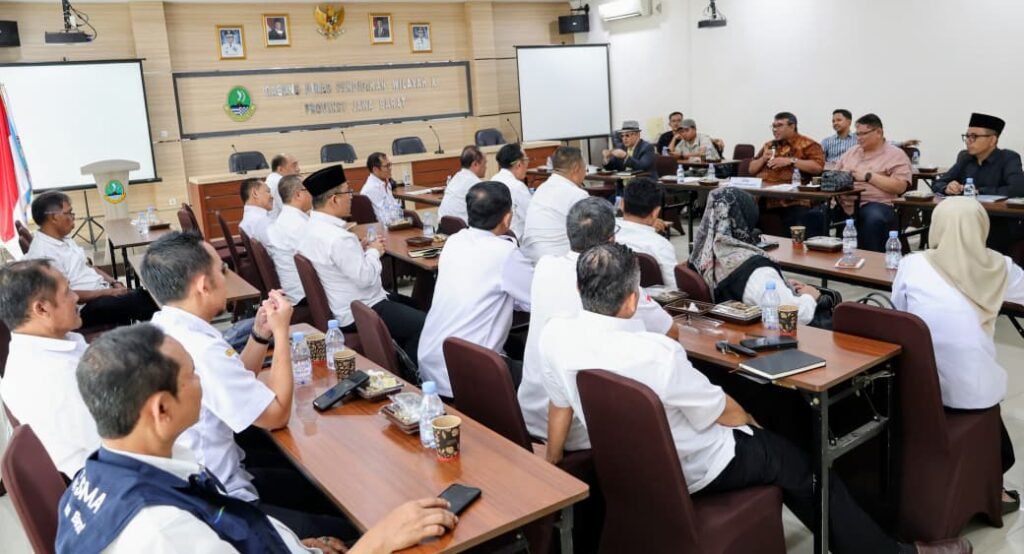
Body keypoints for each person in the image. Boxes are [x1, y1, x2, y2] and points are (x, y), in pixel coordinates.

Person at [540, 242, 972, 554]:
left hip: (629, 467)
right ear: (633, 301)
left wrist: (552, 462)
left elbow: (559, 406)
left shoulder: (556, 335)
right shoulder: (654, 352)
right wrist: (755, 427)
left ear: (580, 290)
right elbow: (724, 411)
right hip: (700, 466)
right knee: (801, 463)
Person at [55, 324, 458, 554]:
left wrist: (291, 544)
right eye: (192, 375)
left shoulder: (108, 471)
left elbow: (224, 526)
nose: (201, 382)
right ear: (161, 409)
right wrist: (375, 542)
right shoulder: (162, 533)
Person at [142, 231, 348, 538]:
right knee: (344, 526)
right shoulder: (200, 348)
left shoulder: (167, 325)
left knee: (314, 486)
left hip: (210, 481)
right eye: (222, 270)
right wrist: (282, 333)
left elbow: (236, 380)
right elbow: (276, 415)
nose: (227, 277)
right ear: (203, 284)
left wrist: (261, 334)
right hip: (225, 505)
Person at [893, 197, 1024, 514]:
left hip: (917, 388)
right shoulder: (1001, 267)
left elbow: (900, 313)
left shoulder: (912, 264)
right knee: (983, 381)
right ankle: (992, 485)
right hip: (973, 394)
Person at [518, 197, 675, 445]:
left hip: (530, 411)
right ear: (611, 239)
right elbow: (671, 331)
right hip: (581, 426)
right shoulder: (618, 283)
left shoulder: (544, 266)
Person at [296, 165, 426, 366]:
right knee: (423, 325)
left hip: (345, 303)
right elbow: (365, 279)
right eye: (347, 191)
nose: (351, 197)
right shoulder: (339, 238)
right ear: (334, 199)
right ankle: (408, 373)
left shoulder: (310, 228)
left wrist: (359, 250)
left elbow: (336, 263)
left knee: (416, 306)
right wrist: (374, 251)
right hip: (362, 307)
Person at [417, 182, 533, 397]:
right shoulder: (504, 252)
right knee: (542, 385)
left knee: (516, 347)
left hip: (431, 362)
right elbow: (536, 298)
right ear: (507, 218)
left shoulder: (454, 240)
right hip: (467, 371)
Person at [0, 259, 100, 477]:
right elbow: (118, 445)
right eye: (67, 292)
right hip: (113, 476)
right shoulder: (54, 378)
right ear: (41, 308)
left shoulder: (55, 344)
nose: (76, 297)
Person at [25, 191, 158, 329]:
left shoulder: (64, 239)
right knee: (146, 300)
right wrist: (107, 293)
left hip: (100, 292)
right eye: (69, 213)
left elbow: (89, 267)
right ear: (54, 217)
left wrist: (114, 283)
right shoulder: (44, 255)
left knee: (144, 296)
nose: (73, 217)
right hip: (82, 308)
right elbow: (63, 296)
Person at [689, 187, 819, 325]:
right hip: (765, 333)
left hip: (722, 328)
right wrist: (810, 296)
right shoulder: (756, 271)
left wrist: (781, 284)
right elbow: (795, 315)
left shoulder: (700, 257)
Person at [805, 114, 912, 252]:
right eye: (857, 134)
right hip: (842, 202)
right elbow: (834, 176)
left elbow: (900, 186)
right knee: (813, 216)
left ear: (878, 132)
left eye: (863, 134)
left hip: (875, 203)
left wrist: (869, 176)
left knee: (872, 219)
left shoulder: (896, 154)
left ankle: (873, 263)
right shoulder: (852, 152)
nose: (859, 138)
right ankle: (820, 261)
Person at [931, 113, 1024, 257]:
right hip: (965, 219)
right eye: (967, 136)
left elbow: (1017, 189)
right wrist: (947, 188)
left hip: (998, 222)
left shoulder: (1008, 158)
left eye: (974, 136)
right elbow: (938, 183)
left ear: (992, 140)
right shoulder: (965, 158)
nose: (968, 141)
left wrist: (978, 191)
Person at [748, 112, 826, 235]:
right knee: (741, 209)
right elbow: (751, 170)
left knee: (795, 221)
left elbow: (818, 168)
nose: (775, 130)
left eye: (779, 126)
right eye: (773, 126)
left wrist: (791, 161)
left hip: (793, 199)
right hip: (765, 196)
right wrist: (763, 159)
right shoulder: (769, 145)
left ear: (792, 126)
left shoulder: (808, 144)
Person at [521, 146, 590, 262]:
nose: (585, 172)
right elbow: (591, 233)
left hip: (529, 258)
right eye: (585, 167)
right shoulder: (578, 195)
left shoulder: (541, 188)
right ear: (576, 168)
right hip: (559, 261)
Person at [615, 177, 677, 285]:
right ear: (656, 212)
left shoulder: (605, 231)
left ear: (621, 204)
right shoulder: (660, 245)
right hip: (649, 295)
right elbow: (674, 285)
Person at [266, 175, 312, 305]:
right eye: (308, 190)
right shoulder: (297, 224)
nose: (312, 194)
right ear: (298, 194)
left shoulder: (286, 218)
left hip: (295, 289)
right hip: (305, 293)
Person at [489, 143, 533, 239]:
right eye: (526, 160)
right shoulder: (517, 187)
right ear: (519, 164)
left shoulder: (493, 179)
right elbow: (531, 217)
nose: (527, 165)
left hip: (496, 237)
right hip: (516, 239)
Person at [437, 145, 486, 224]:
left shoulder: (456, 177)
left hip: (442, 226)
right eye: (484, 163)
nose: (486, 167)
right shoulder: (476, 184)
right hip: (462, 229)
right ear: (475, 164)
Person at [361, 152, 402, 223]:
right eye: (386, 166)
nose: (390, 168)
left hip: (394, 223)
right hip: (383, 227)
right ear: (375, 169)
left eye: (390, 165)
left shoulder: (386, 183)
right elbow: (383, 219)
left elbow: (394, 209)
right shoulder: (371, 189)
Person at [238, 177, 273, 245]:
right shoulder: (261, 222)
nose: (272, 196)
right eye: (268, 191)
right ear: (255, 193)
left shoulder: (251, 217)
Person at [267, 153, 301, 220]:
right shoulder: (280, 182)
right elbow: (292, 211)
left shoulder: (272, 178)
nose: (298, 169)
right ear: (280, 169)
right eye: (294, 165)